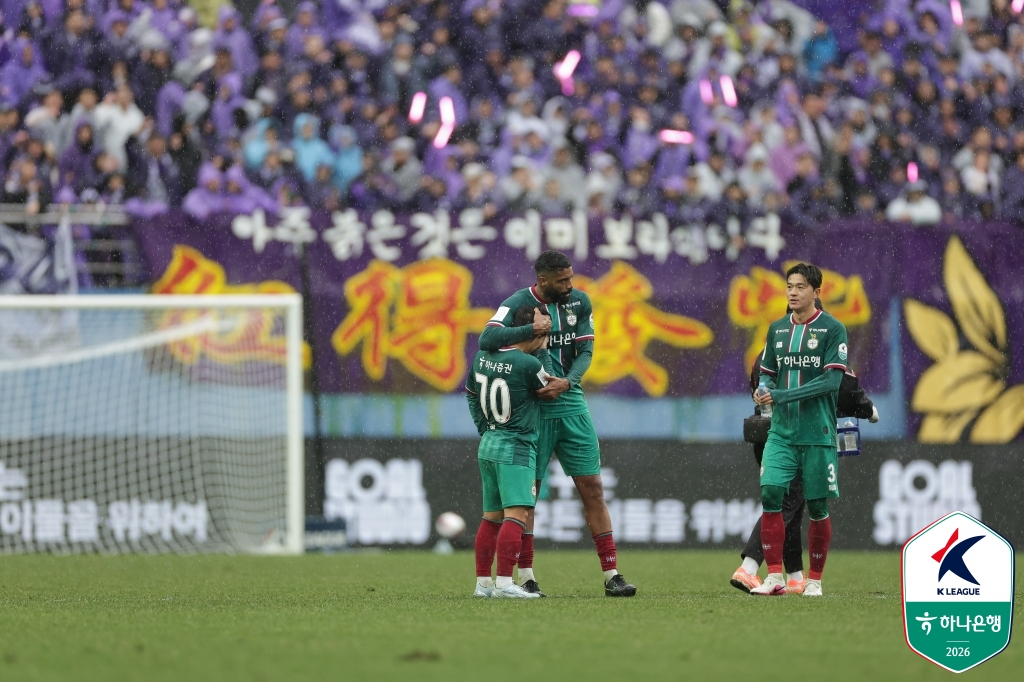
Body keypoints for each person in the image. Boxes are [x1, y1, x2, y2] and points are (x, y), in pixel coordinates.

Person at [478, 251, 637, 598]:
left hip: (570, 402)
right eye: (563, 280)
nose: (570, 285)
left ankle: (612, 574)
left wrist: (568, 382)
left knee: (592, 487)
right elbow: (485, 341)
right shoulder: (517, 302)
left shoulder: (579, 302)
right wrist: (530, 329)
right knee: (528, 495)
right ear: (544, 280)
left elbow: (585, 353)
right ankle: (527, 575)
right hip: (534, 406)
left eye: (571, 278)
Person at [732, 302, 880, 594]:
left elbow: (758, 385)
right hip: (799, 436)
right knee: (787, 504)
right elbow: (848, 388)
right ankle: (749, 567)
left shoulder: (767, 349)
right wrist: (869, 410)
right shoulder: (820, 348)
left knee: (791, 505)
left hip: (768, 436)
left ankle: (796, 576)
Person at [750, 263, 847, 597]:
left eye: (800, 286)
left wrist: (783, 395)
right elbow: (767, 372)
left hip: (817, 432)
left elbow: (832, 380)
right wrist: (763, 388)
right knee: (770, 494)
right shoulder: (777, 329)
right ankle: (775, 577)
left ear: (817, 292)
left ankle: (815, 580)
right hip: (781, 432)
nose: (792, 292)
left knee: (818, 507)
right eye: (789, 286)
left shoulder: (834, 329)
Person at [467, 306, 551, 600]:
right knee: (517, 515)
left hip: (488, 444)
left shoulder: (481, 357)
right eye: (544, 330)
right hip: (516, 446)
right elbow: (550, 387)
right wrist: (541, 350)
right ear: (534, 331)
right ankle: (504, 582)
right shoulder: (527, 364)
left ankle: (483, 584)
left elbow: (470, 393)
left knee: (491, 518)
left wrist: (485, 427)